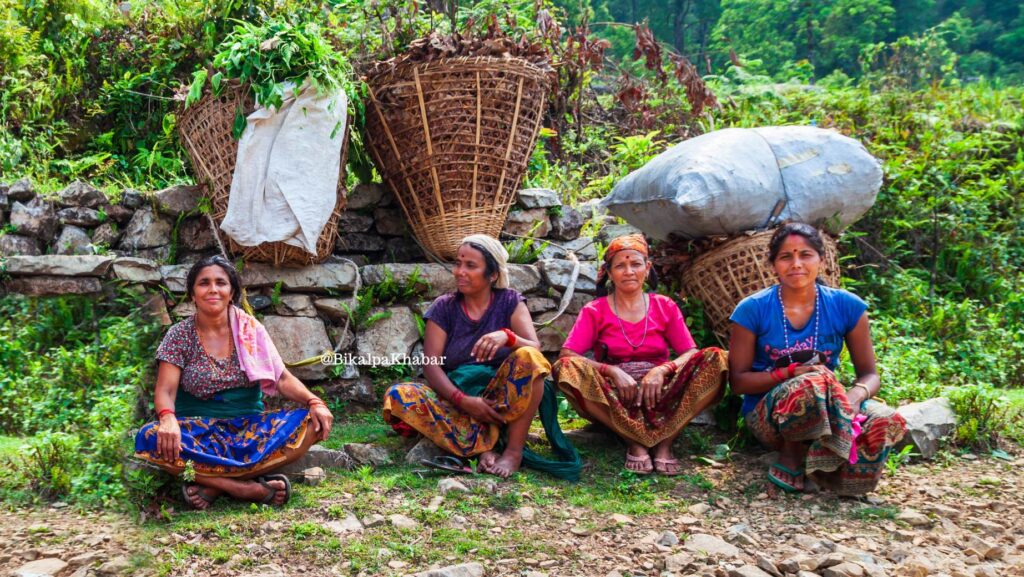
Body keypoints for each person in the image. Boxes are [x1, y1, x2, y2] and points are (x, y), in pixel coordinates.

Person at [134, 255, 333, 509]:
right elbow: (165, 390)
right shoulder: (179, 335)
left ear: (232, 292)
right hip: (199, 433)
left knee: (312, 423)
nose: (213, 289)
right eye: (204, 283)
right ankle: (245, 487)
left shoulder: (251, 330)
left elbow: (282, 378)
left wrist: (315, 402)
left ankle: (214, 486)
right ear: (193, 294)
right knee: (150, 437)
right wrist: (167, 418)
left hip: (247, 429)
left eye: (221, 283)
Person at [728, 222, 907, 495]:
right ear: (773, 265)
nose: (796, 263)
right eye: (786, 256)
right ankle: (792, 456)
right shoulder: (752, 309)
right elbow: (738, 382)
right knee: (813, 381)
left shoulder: (847, 306)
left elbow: (870, 374)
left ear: (822, 260)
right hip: (769, 417)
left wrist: (854, 398)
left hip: (830, 406)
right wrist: (790, 374)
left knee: (885, 418)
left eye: (806, 255)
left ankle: (838, 475)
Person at [553, 234, 728, 475]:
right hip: (616, 396)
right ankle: (634, 442)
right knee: (566, 368)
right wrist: (611, 371)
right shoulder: (595, 310)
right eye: (620, 266)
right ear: (609, 272)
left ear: (647, 268)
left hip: (661, 392)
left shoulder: (664, 305)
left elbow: (690, 352)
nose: (628, 271)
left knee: (716, 358)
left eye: (635, 264)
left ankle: (665, 443)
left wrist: (662, 370)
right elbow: (568, 354)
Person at [383, 235, 553, 478]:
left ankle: (512, 452)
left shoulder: (509, 301)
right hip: (456, 399)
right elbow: (431, 365)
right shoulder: (444, 307)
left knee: (530, 357)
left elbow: (535, 350)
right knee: (398, 395)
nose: (460, 271)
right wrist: (464, 400)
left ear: (492, 275)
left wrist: (509, 337)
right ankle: (484, 448)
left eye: (470, 266)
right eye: (458, 264)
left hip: (500, 401)